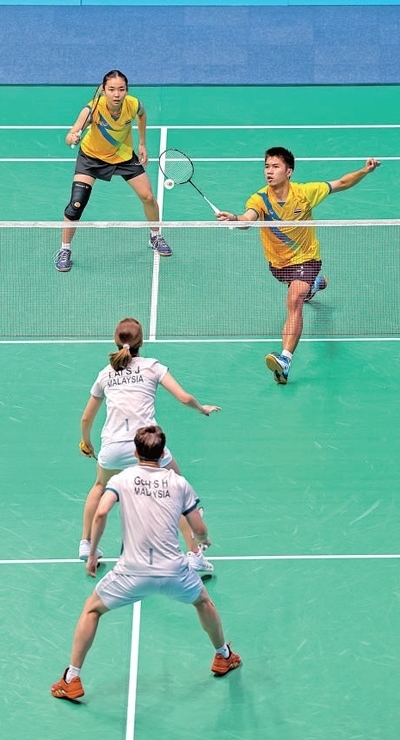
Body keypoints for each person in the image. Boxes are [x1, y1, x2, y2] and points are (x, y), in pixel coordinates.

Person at [51, 425, 241, 699]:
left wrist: (92, 554)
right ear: (163, 453)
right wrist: (203, 539)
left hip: (131, 573)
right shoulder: (179, 483)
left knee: (92, 610)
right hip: (174, 571)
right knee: (203, 602)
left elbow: (101, 513)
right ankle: (223, 656)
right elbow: (198, 528)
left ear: (134, 452)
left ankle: (72, 679)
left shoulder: (122, 479)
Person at [216, 147, 381, 384]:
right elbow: (247, 219)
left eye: (275, 167)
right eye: (266, 166)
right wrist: (234, 219)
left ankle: (285, 359)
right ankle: (314, 285)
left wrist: (365, 170)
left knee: (294, 300)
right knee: (300, 290)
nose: (269, 171)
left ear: (289, 171)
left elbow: (342, 183)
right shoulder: (260, 199)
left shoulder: (304, 193)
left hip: (307, 259)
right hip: (279, 264)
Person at [78, 317, 220, 575]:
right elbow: (183, 397)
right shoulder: (152, 366)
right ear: (141, 342)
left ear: (116, 341)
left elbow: (86, 418)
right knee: (178, 493)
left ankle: (86, 545)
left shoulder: (105, 374)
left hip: (112, 447)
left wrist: (86, 442)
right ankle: (194, 555)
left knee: (99, 486)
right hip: (147, 444)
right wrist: (202, 408)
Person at [54, 69, 171, 272]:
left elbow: (142, 114)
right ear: (103, 90)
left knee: (147, 196)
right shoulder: (92, 109)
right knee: (76, 204)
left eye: (121, 89)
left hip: (123, 156)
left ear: (126, 90)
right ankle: (65, 249)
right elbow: (70, 135)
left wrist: (142, 143)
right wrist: (72, 137)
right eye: (111, 89)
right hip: (91, 158)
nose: (116, 94)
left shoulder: (133, 104)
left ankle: (155, 236)